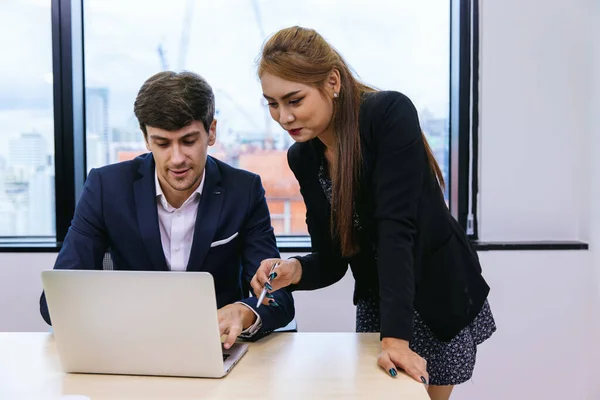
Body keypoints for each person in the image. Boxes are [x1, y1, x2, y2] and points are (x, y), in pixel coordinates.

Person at [250, 26, 495, 400]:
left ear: (332, 81)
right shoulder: (303, 156)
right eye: (272, 103)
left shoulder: (387, 114)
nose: (283, 117)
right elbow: (333, 259)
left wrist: (395, 339)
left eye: (294, 100)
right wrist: (294, 270)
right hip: (380, 298)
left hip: (434, 290)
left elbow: (397, 230)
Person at [40, 71, 294, 348]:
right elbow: (55, 301)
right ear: (146, 139)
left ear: (211, 132)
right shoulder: (105, 188)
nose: (177, 159)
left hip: (216, 347)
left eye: (188, 141)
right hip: (131, 346)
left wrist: (244, 313)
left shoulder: (243, 190)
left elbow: (277, 298)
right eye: (162, 143)